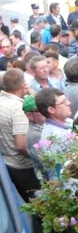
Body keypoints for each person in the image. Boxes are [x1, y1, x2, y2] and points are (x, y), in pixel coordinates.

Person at [0, 69, 40, 199]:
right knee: (39, 205)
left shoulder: (2, 101)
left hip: (7, 161)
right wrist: (38, 159)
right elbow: (21, 145)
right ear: (23, 85)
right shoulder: (19, 108)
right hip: (22, 165)